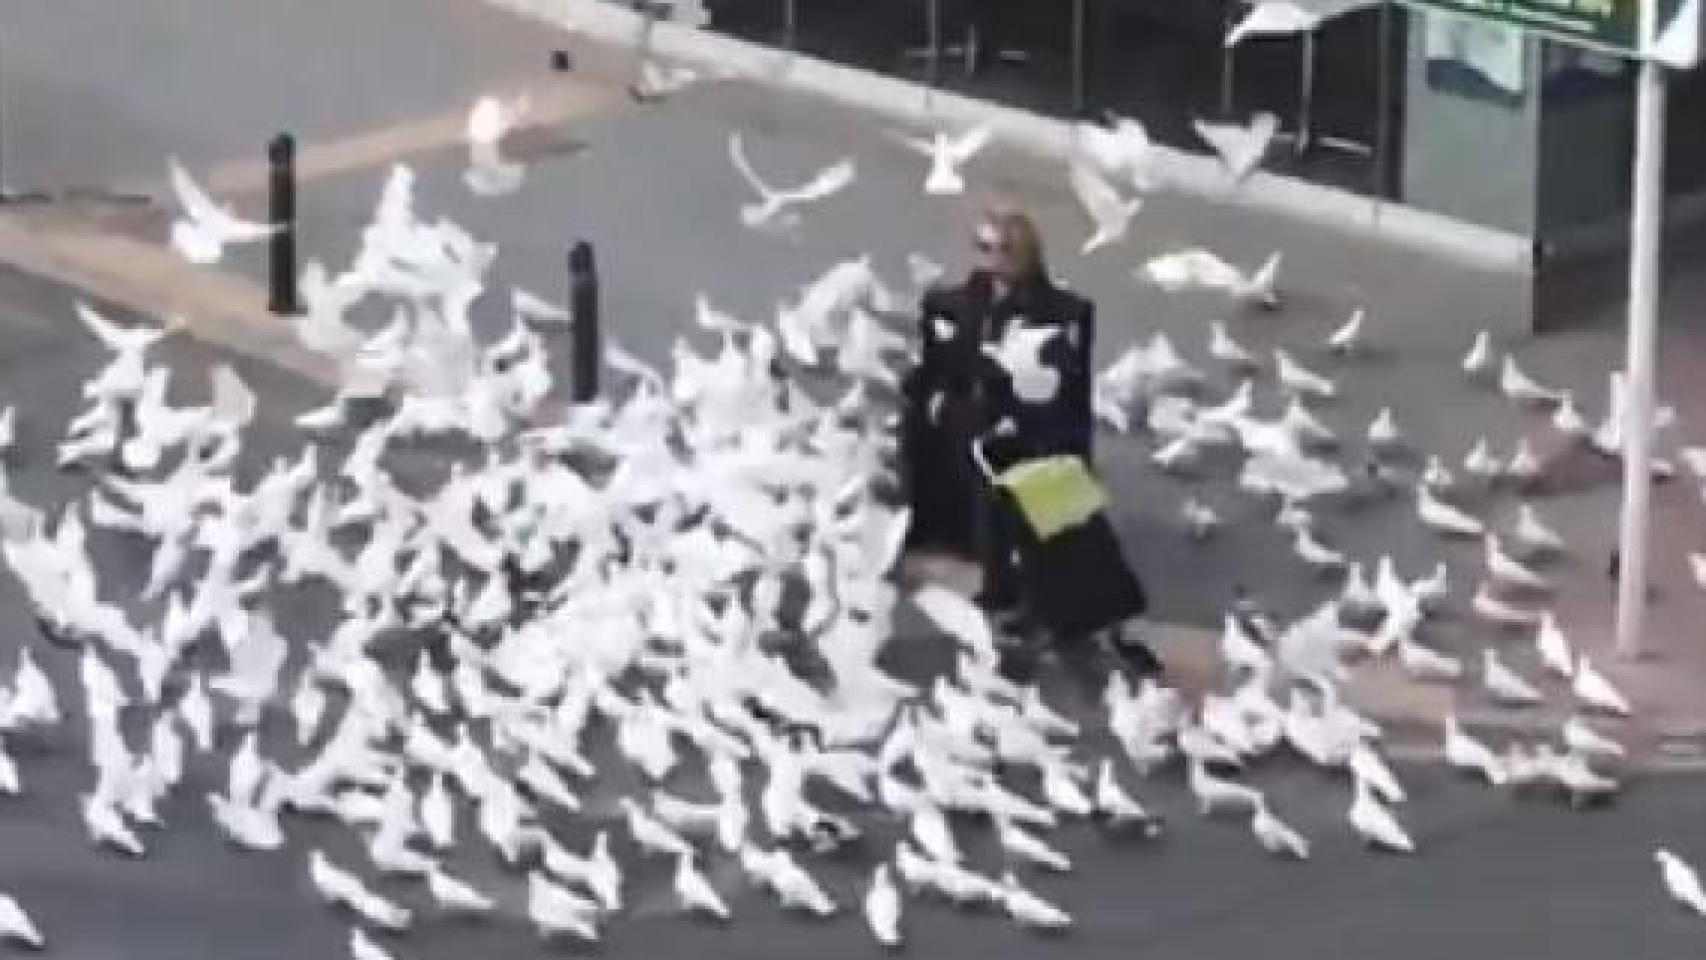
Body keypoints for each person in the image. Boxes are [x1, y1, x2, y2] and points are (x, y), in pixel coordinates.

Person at [900, 207, 1158, 682]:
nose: (995, 260)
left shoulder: (1064, 312)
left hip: (1030, 433)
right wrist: (941, 405)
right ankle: (998, 592)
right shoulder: (950, 305)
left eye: (1006, 250)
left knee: (1052, 527)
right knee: (987, 511)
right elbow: (935, 371)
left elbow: (1069, 393)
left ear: (1028, 254)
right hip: (972, 429)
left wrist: (1064, 447)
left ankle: (1062, 609)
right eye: (984, 248)